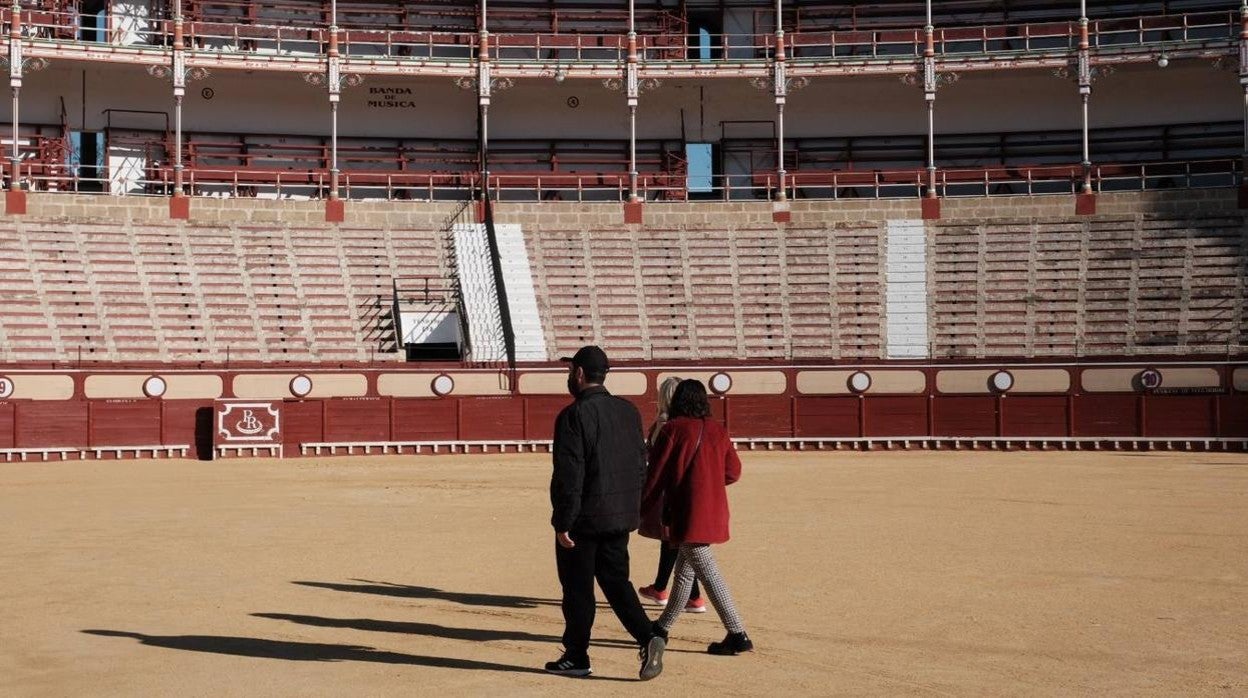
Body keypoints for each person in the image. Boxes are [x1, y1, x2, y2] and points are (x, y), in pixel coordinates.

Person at [547, 345, 665, 680]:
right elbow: (639, 467)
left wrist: (563, 521)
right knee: (616, 583)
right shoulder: (629, 411)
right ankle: (649, 635)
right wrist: (632, 510)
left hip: (584, 519)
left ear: (579, 374)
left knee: (578, 589)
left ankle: (576, 655)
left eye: (570, 371)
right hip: (619, 516)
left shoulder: (573, 415)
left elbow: (571, 474)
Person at [641, 379, 753, 656]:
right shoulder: (718, 430)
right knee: (684, 573)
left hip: (686, 512)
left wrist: (641, 508)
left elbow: (655, 476)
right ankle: (662, 627)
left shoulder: (673, 430)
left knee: (709, 572)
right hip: (714, 509)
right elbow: (733, 472)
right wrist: (708, 484)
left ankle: (737, 633)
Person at [638, 376, 705, 613]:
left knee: (674, 540)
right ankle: (671, 591)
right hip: (686, 489)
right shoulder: (693, 425)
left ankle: (685, 595)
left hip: (667, 491)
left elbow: (655, 462)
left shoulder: (665, 425)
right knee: (675, 541)